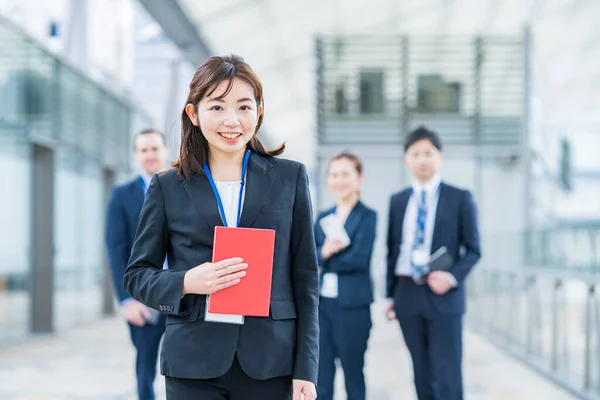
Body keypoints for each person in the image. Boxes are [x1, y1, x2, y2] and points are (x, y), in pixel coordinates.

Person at [123, 54, 319, 400]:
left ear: (259, 111)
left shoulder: (290, 178)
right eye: (217, 107)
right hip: (193, 362)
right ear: (193, 114)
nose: (232, 120)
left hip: (271, 362)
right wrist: (186, 281)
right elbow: (138, 275)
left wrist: (306, 368)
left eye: (244, 107)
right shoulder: (168, 186)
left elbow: (305, 280)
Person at [385, 126, 481, 400]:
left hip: (443, 293)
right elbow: (392, 250)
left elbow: (474, 250)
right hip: (407, 293)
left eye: (428, 153)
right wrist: (391, 295)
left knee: (447, 371)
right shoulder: (398, 200)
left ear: (441, 156)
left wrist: (451, 277)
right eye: (415, 153)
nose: (422, 159)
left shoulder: (460, 197)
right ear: (407, 159)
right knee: (421, 371)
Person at [106, 128, 169, 400]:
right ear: (136, 155)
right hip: (143, 297)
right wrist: (125, 300)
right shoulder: (122, 195)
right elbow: (116, 248)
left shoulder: (182, 186)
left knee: (190, 366)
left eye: (154, 148)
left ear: (165, 151)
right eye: (144, 150)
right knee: (145, 368)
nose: (150, 155)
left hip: (184, 291)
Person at [314, 151, 376, 400]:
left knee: (353, 374)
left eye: (345, 174)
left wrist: (326, 256)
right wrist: (326, 251)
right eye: (334, 175)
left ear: (358, 178)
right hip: (322, 307)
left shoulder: (367, 216)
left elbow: (360, 258)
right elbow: (310, 256)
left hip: (353, 307)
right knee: (321, 377)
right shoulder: (322, 217)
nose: (339, 180)